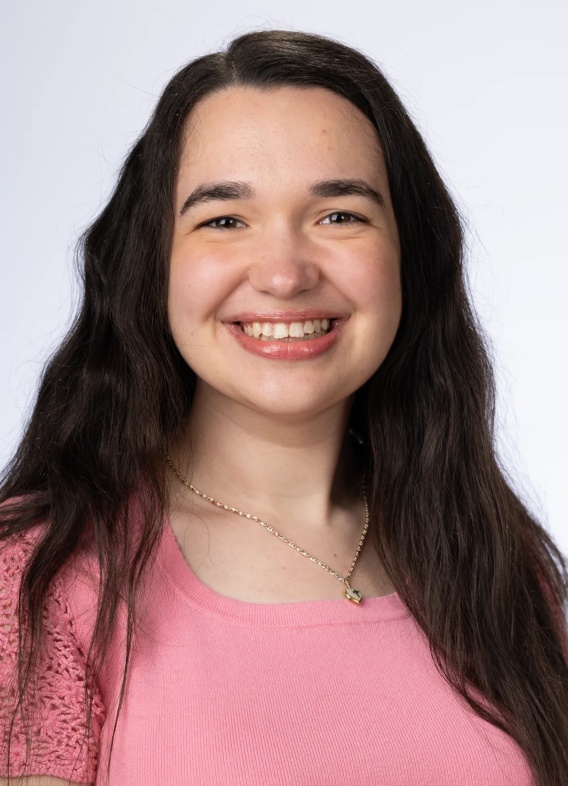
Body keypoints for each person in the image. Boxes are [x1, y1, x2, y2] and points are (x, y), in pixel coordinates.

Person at [1, 29, 567, 786]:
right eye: (223, 220)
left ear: (410, 256)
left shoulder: (497, 564)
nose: (285, 274)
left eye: (340, 215)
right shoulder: (42, 582)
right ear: (151, 263)